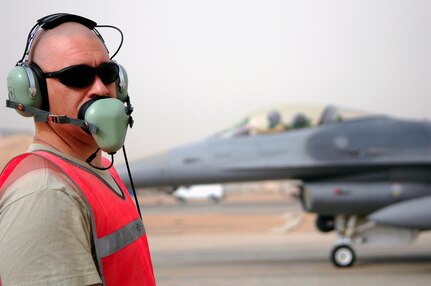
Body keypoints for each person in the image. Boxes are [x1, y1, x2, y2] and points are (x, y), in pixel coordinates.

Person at [0, 14, 156, 285]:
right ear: (32, 93)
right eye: (77, 76)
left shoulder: (96, 170)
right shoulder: (45, 194)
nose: (100, 88)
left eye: (107, 73)